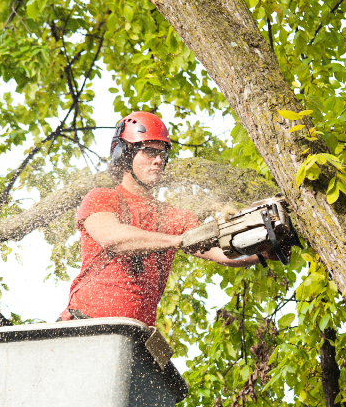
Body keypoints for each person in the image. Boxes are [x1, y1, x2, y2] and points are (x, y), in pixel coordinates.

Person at [59, 111, 270, 326]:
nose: (159, 160)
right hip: (83, 327)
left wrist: (263, 250)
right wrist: (175, 241)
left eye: (162, 154)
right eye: (149, 152)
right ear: (125, 154)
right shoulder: (103, 198)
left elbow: (223, 254)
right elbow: (113, 238)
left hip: (136, 336)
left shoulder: (174, 217)